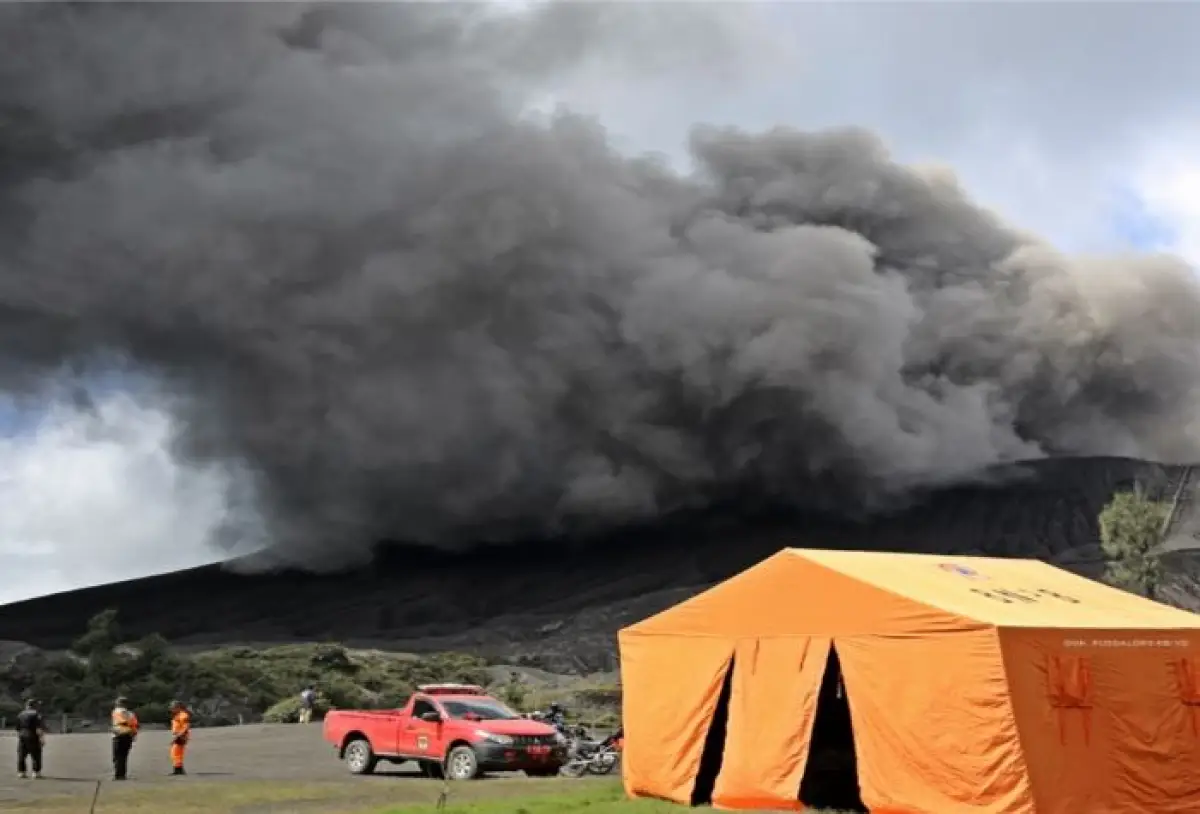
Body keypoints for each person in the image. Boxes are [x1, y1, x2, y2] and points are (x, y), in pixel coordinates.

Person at [110, 696, 139, 780]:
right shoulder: (131, 714)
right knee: (124, 756)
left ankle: (118, 775)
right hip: (128, 735)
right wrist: (134, 734)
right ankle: (122, 774)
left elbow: (121, 722)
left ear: (120, 703)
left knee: (117, 756)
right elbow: (135, 725)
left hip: (119, 734)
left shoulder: (117, 711)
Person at [16, 699, 45, 779]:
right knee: (36, 755)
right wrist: (42, 739)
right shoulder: (36, 714)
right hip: (33, 735)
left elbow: (18, 728)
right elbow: (38, 728)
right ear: (35, 706)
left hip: (22, 735)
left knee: (22, 754)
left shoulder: (21, 714)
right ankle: (36, 772)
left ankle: (21, 772)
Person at [169, 700, 191, 776]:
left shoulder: (183, 715)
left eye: (173, 708)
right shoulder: (177, 715)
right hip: (178, 735)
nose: (171, 709)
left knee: (176, 753)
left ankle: (178, 769)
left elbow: (186, 727)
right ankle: (178, 769)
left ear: (178, 707)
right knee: (176, 753)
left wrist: (179, 736)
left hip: (181, 736)